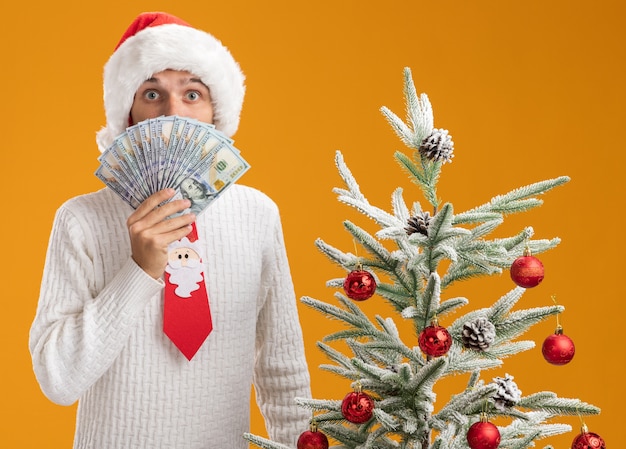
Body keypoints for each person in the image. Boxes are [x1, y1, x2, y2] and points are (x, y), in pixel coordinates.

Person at [29, 11, 311, 449]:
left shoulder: (258, 214)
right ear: (129, 114)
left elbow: (282, 369)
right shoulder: (81, 220)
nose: (173, 112)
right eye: (152, 93)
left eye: (192, 93)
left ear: (216, 112)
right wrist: (139, 270)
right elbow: (58, 379)